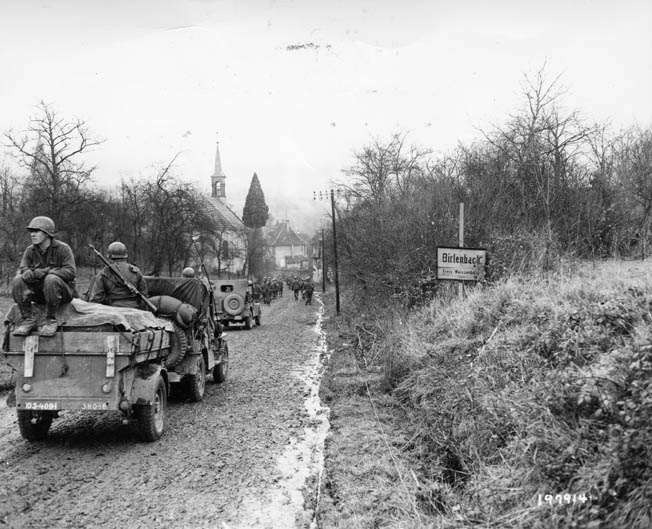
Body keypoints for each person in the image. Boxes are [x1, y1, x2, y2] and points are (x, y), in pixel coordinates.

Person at [12, 216, 77, 337]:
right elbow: (23, 268)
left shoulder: (63, 249)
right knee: (17, 280)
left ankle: (51, 320)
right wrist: (29, 273)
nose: (32, 234)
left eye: (36, 231)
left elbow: (71, 272)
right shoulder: (30, 250)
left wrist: (47, 271)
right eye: (31, 231)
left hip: (62, 294)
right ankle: (28, 319)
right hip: (39, 294)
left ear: (47, 234)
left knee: (51, 279)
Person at [90, 241, 148, 309]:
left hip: (113, 311)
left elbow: (96, 299)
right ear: (125, 255)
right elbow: (144, 296)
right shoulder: (136, 271)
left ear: (109, 256)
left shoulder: (104, 273)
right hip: (134, 310)